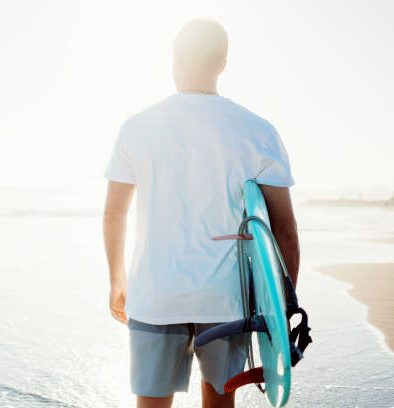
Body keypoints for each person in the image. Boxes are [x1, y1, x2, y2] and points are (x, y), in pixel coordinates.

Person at [102, 18, 300, 408]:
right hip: (226, 301)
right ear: (223, 64)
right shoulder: (257, 130)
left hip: (156, 296)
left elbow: (114, 215)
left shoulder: (137, 127)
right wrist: (280, 308)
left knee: (151, 404)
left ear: (174, 58)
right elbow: (284, 231)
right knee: (220, 403)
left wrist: (117, 280)